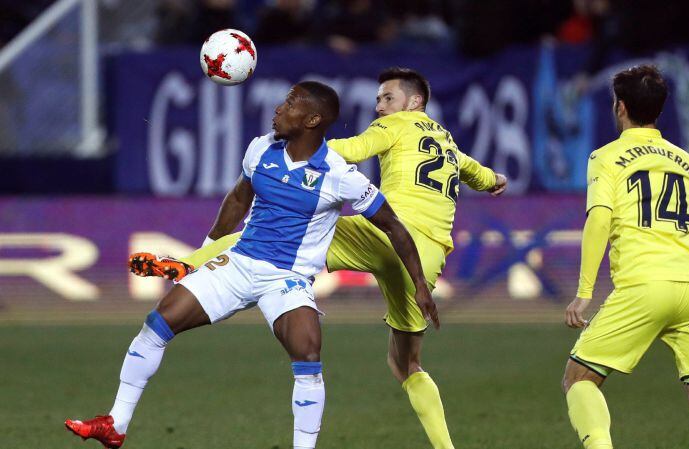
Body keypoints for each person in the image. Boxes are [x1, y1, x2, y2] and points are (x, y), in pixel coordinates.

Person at [130, 67, 507, 449]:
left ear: (415, 103)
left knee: (270, 237)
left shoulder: (397, 125)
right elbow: (477, 173)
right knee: (407, 365)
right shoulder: (448, 145)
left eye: (387, 98)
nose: (379, 107)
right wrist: (495, 180)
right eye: (377, 100)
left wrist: (301, 148)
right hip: (424, 255)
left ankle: (190, 262)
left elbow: (353, 149)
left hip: (381, 233)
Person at [65, 81, 437, 449]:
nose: (279, 109)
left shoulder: (341, 175)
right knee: (157, 323)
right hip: (239, 264)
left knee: (308, 354)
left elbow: (394, 227)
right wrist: (204, 255)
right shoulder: (261, 148)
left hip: (287, 279)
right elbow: (239, 199)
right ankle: (115, 423)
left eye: (290, 104)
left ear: (312, 120)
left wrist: (419, 283)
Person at [561, 65, 689, 449]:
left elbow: (600, 220)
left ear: (620, 107)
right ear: (658, 110)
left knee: (579, 378)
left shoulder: (606, 157)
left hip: (643, 284)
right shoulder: (686, 161)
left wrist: (585, 291)